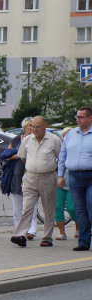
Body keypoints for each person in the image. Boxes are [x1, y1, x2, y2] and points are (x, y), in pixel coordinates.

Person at [10, 116, 61, 248]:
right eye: (32, 126)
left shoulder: (54, 140)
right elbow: (23, 158)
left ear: (45, 126)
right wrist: (33, 168)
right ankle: (20, 235)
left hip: (48, 178)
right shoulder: (27, 140)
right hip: (30, 178)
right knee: (27, 207)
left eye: (37, 127)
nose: (34, 129)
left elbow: (61, 158)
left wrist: (53, 172)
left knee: (48, 209)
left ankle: (47, 237)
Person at [58, 106, 92, 251]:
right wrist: (60, 175)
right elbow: (62, 155)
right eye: (77, 117)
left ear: (90, 118)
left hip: (90, 175)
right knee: (80, 210)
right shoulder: (71, 134)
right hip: (74, 176)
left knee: (91, 206)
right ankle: (83, 242)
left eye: (81, 117)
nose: (77, 120)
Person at [0, 118, 38, 241]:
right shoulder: (17, 139)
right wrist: (16, 153)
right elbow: (5, 154)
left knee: (31, 203)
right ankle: (18, 230)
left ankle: (31, 230)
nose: (32, 128)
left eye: (34, 126)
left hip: (31, 172)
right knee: (17, 204)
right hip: (17, 173)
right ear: (25, 127)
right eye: (30, 126)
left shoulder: (36, 139)